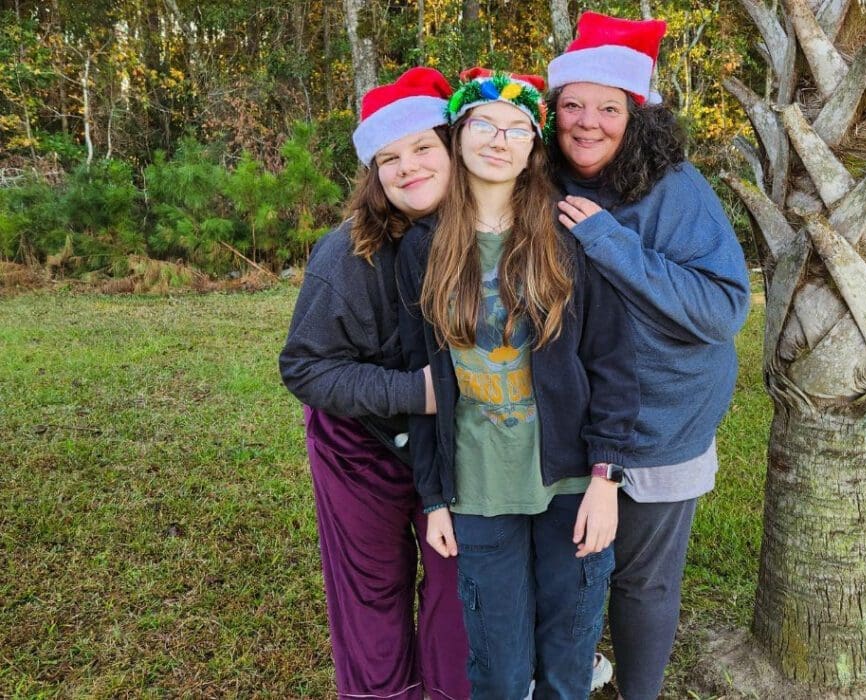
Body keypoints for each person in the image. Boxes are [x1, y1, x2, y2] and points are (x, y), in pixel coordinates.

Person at [396, 67, 639, 699]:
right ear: (459, 137)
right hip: (478, 487)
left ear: (533, 146)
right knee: (499, 669)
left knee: (567, 660)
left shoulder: (568, 237)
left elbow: (613, 361)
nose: (498, 140)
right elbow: (424, 386)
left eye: (516, 129)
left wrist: (605, 478)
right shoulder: (422, 249)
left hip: (569, 483)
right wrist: (433, 496)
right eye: (483, 124)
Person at [547, 12, 751, 700]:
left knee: (642, 577)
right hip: (579, 415)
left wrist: (612, 242)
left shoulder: (673, 189)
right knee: (574, 563)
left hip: (663, 421)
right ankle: (575, 670)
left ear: (636, 116)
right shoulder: (544, 179)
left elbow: (723, 309)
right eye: (571, 104)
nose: (586, 122)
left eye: (608, 107)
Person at [279, 67, 471, 700]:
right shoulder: (347, 254)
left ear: (454, 150)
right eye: (388, 156)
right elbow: (305, 366)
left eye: (422, 148)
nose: (407, 167)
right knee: (372, 592)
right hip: (361, 446)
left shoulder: (489, 237)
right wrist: (417, 392)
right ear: (372, 172)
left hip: (456, 448)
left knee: (456, 588)